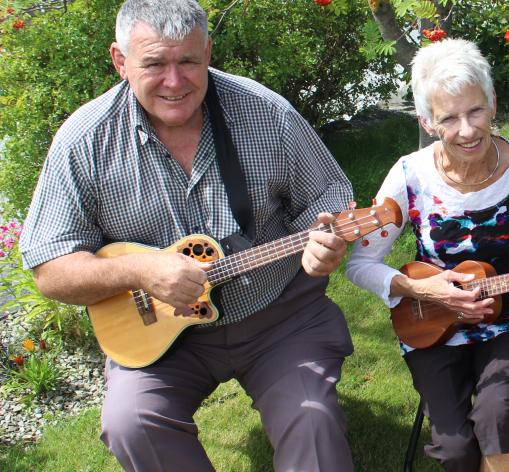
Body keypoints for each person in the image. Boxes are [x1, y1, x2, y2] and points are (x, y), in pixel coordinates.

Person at [19, 1, 356, 470]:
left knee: (313, 422)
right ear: (120, 61)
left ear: (208, 53)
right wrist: (142, 269)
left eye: (188, 62)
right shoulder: (84, 141)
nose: (174, 83)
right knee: (131, 423)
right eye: (154, 63)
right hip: (162, 339)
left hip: (278, 316)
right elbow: (50, 269)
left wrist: (324, 240)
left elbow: (329, 196)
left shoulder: (265, 112)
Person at [345, 38, 509, 472]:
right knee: (454, 450)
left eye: (475, 111)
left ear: (492, 102)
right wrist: (421, 288)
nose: (467, 130)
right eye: (449, 118)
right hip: (430, 324)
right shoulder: (408, 176)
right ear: (427, 121)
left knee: (497, 416)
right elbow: (359, 265)